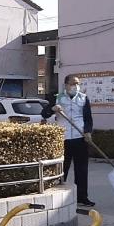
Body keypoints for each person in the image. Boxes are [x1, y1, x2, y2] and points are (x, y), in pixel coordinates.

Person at [42, 75, 96, 207]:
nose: (76, 86)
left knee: (81, 170)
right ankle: (59, 196)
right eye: (73, 84)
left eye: (77, 84)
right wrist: (52, 109)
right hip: (63, 138)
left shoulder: (83, 98)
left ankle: (82, 197)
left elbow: (88, 118)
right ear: (66, 85)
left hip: (80, 137)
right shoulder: (57, 98)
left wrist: (88, 132)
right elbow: (44, 113)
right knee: (62, 169)